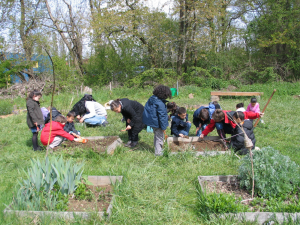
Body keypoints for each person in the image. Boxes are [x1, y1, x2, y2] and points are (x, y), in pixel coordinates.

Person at [143, 85, 171, 156]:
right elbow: (162, 116)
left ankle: (157, 149)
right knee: (159, 137)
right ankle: (158, 153)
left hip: (152, 122)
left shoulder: (152, 99)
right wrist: (163, 127)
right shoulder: (160, 103)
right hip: (157, 123)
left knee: (156, 135)